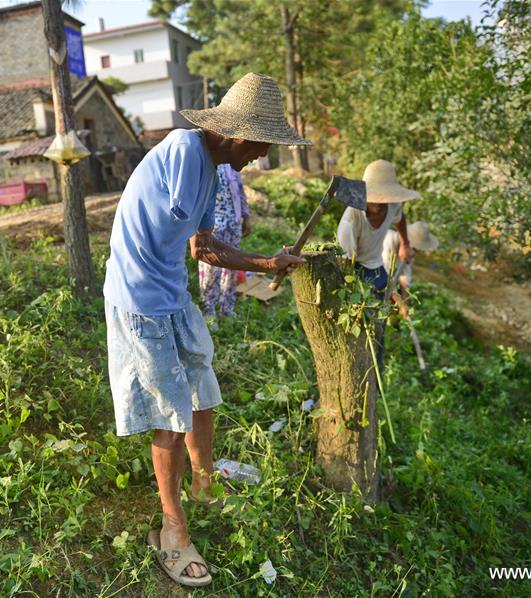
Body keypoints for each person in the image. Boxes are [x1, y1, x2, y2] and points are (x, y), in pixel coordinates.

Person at [102, 72, 308, 588]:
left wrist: (267, 262)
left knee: (202, 389)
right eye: (262, 144)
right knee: (170, 413)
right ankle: (173, 528)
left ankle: (204, 481)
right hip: (138, 298)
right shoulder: (182, 150)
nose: (262, 156)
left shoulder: (215, 171)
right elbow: (168, 211)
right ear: (239, 133)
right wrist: (260, 261)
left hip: (171, 291)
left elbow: (203, 248)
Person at [336, 160, 420, 370]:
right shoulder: (350, 220)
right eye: (374, 198)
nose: (379, 205)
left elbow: (400, 218)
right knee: (361, 326)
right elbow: (345, 266)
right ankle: (358, 366)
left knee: (379, 325)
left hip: (378, 268)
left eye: (384, 199)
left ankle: (376, 367)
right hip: (356, 271)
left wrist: (405, 243)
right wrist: (353, 295)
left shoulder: (393, 205)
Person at [198, 163, 251, 321]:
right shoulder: (208, 163)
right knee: (211, 267)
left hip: (233, 223)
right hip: (212, 226)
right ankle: (209, 310)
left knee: (232, 266)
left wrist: (246, 217)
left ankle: (227, 308)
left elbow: (240, 191)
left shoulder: (233, 164)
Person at [381, 220, 439, 316]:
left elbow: (404, 279)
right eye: (415, 248)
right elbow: (385, 282)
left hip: (388, 283)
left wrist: (405, 303)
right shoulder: (386, 242)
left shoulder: (408, 253)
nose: (414, 253)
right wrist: (401, 304)